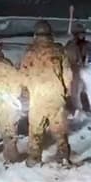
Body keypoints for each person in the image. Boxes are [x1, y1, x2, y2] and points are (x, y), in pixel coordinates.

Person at [18, 20, 74, 166]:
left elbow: (23, 75)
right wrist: (66, 92)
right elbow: (67, 74)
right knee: (59, 128)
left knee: (36, 129)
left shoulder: (29, 52)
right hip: (56, 95)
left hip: (38, 97)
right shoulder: (59, 50)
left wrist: (25, 90)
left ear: (35, 34)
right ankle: (63, 156)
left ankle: (34, 159)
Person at [64, 23, 91, 114]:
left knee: (86, 90)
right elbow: (69, 59)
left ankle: (87, 107)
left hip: (85, 70)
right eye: (80, 33)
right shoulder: (70, 46)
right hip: (74, 71)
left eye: (83, 33)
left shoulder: (87, 44)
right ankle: (77, 109)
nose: (82, 35)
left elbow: (90, 56)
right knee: (75, 92)